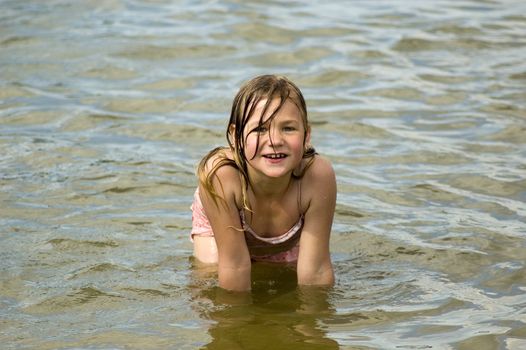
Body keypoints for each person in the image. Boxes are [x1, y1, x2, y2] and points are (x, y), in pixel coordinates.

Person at [190, 74, 336, 292]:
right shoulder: (222, 177)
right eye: (259, 129)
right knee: (211, 277)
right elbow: (235, 267)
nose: (275, 141)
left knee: (286, 275)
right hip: (221, 220)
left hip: (286, 240)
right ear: (236, 136)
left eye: (288, 128)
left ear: (306, 135)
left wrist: (311, 323)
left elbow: (316, 271)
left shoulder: (317, 177)